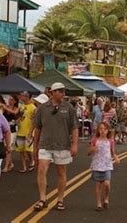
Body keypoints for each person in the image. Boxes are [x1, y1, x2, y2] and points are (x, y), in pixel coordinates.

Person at [33, 82, 79, 212]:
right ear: (51, 92)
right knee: (41, 169)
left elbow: (74, 127)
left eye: (64, 91)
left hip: (63, 145)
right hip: (45, 144)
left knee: (61, 172)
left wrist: (75, 145)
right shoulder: (42, 108)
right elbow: (37, 129)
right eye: (59, 91)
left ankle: (60, 199)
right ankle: (42, 199)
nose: (63, 93)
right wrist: (35, 147)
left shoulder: (69, 107)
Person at [88, 122, 120, 212]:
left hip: (107, 165)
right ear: (98, 130)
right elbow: (89, 153)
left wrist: (116, 157)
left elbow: (112, 152)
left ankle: (106, 198)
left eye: (105, 129)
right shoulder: (94, 140)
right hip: (97, 165)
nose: (102, 131)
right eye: (101, 129)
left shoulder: (110, 141)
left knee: (107, 184)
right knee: (98, 186)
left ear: (107, 131)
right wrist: (92, 149)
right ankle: (99, 203)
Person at [16, 92, 37, 173]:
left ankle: (32, 161)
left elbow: (34, 120)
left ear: (27, 97)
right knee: (21, 150)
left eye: (22, 96)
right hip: (20, 131)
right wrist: (18, 120)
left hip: (29, 131)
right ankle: (24, 166)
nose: (21, 97)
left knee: (29, 149)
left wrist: (32, 132)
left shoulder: (33, 107)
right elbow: (20, 116)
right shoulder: (21, 106)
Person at [1, 94, 20, 173]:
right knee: (6, 148)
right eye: (9, 99)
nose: (10, 101)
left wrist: (5, 108)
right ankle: (10, 163)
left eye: (12, 99)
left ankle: (6, 166)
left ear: (15, 101)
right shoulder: (5, 107)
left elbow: (15, 112)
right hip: (5, 129)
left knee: (8, 147)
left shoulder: (16, 108)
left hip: (12, 130)